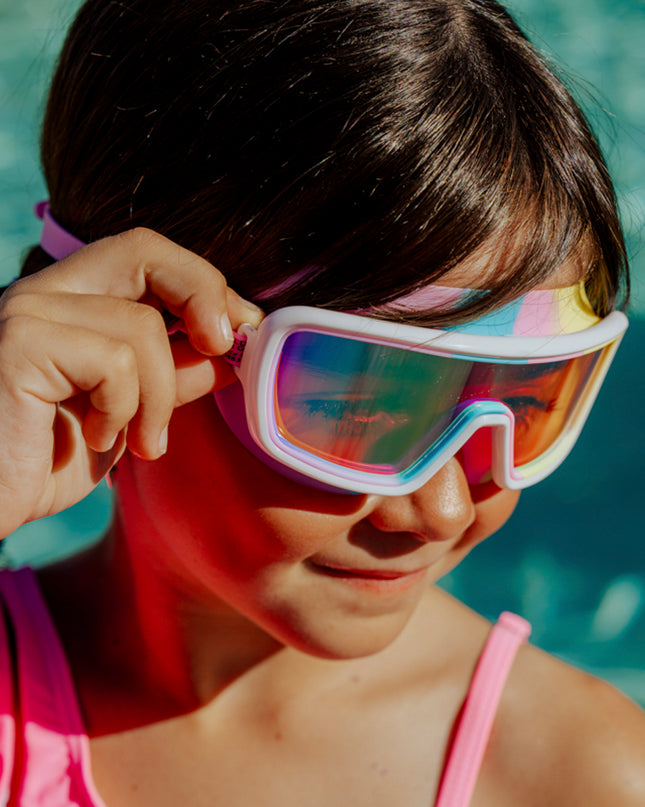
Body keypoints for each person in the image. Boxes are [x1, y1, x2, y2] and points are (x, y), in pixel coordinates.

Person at [0, 0, 643, 804]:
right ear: (130, 326)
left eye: (525, 397)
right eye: (357, 401)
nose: (439, 510)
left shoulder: (579, 776)